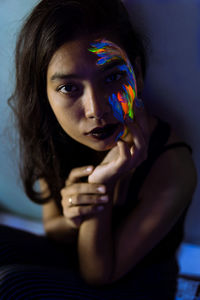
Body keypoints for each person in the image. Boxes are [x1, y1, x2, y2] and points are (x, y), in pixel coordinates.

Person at [2, 0, 197, 299]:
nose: (96, 109)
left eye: (113, 77)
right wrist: (74, 213)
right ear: (45, 94)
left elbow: (98, 274)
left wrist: (102, 185)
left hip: (136, 285)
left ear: (138, 74)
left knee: (13, 286)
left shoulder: (172, 165)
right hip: (74, 260)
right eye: (69, 88)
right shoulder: (53, 135)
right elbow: (53, 227)